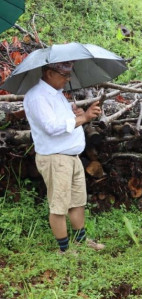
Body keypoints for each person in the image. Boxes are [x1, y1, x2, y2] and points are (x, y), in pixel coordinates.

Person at [24, 61, 105, 254]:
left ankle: (81, 241)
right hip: (55, 157)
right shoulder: (37, 97)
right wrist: (83, 118)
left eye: (69, 75)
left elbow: (63, 121)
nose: (67, 79)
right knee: (59, 205)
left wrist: (75, 114)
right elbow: (51, 128)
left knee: (77, 201)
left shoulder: (57, 95)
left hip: (71, 156)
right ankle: (64, 249)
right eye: (64, 75)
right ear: (49, 73)